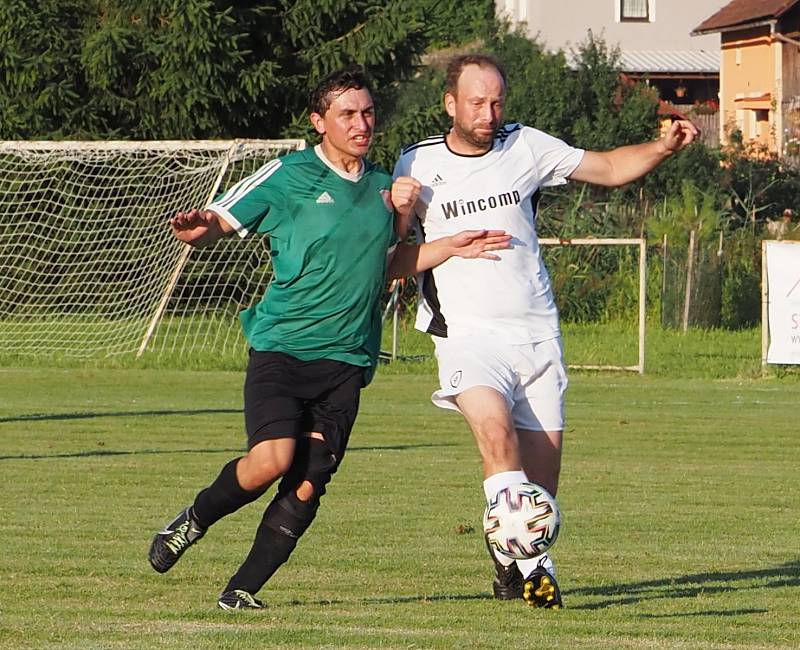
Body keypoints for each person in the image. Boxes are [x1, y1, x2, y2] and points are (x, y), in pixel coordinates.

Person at [147, 66, 509, 610]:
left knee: (309, 480)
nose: (361, 123)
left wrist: (451, 245)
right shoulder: (289, 175)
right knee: (271, 460)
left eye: (367, 112)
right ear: (319, 122)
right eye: (347, 114)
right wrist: (201, 229)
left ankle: (241, 590)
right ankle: (194, 519)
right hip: (283, 350)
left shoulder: (385, 187)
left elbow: (386, 263)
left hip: (346, 361)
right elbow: (218, 220)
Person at [393, 53, 698, 609]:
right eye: (477, 102)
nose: (489, 113)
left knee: (539, 490)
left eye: (497, 101)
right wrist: (407, 219)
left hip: (536, 335)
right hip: (466, 334)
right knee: (495, 436)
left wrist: (662, 148)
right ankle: (539, 573)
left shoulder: (526, 145)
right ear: (450, 104)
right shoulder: (414, 164)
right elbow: (390, 257)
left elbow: (606, 168)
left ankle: (509, 566)